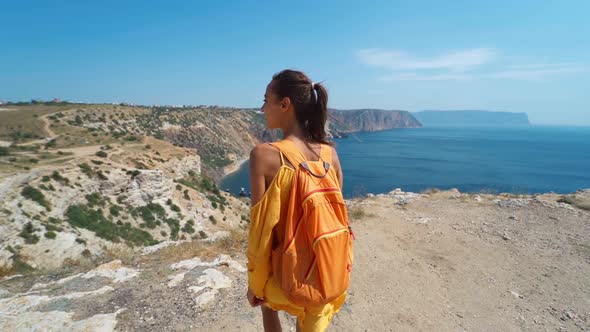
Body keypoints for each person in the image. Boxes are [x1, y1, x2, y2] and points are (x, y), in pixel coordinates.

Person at [247, 69, 347, 332]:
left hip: (287, 279)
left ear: (285, 104)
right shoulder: (330, 154)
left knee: (266, 300)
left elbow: (261, 232)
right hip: (329, 274)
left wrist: (256, 286)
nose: (262, 107)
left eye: (266, 99)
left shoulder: (264, 156)